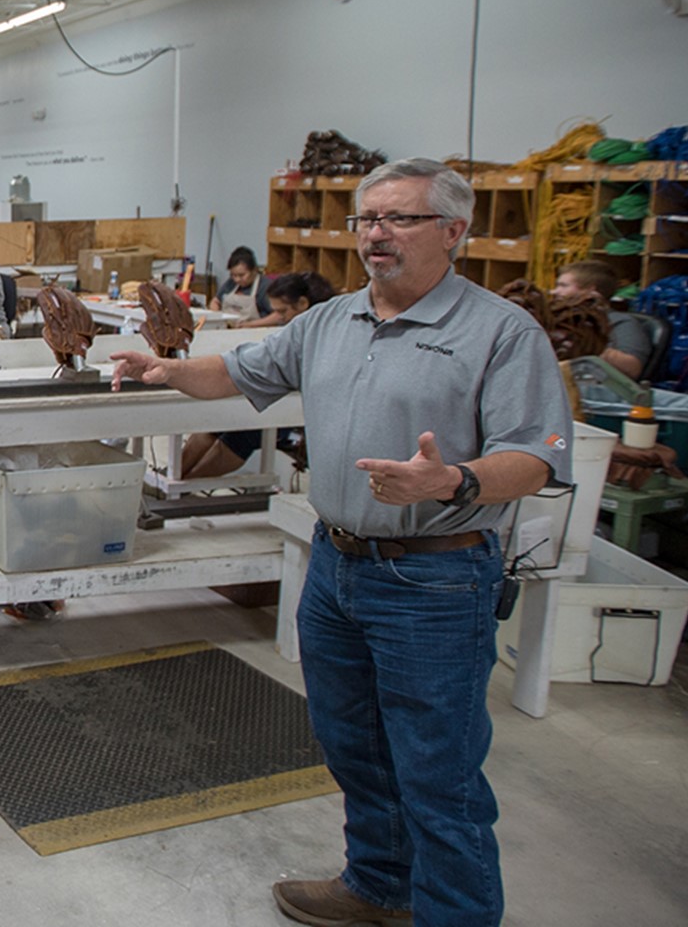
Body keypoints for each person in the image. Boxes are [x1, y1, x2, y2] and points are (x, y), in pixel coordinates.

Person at [113, 158, 571, 927]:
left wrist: (449, 481)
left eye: (399, 219)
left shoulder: (498, 332)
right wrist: (165, 369)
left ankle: (452, 914)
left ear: (454, 231)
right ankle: (379, 887)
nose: (375, 235)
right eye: (367, 219)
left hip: (437, 579)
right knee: (353, 747)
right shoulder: (330, 320)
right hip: (337, 567)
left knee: (440, 775)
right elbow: (236, 370)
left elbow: (537, 458)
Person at [179, 271, 334, 479]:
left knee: (246, 434)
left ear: (303, 304)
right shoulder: (294, 330)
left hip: (301, 411)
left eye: (282, 312)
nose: (279, 317)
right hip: (279, 397)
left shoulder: (325, 333)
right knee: (218, 420)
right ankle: (179, 477)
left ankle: (192, 481)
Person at [553, 259, 653, 379]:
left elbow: (633, 368)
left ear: (591, 291)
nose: (554, 291)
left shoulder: (621, 322)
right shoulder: (558, 319)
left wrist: (587, 343)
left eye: (563, 286)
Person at [212, 246, 279, 326]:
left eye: (241, 275)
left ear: (254, 270)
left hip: (254, 332)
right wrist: (217, 318)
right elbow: (215, 301)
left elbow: (278, 316)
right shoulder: (231, 283)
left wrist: (250, 324)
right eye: (233, 275)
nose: (237, 279)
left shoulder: (265, 286)